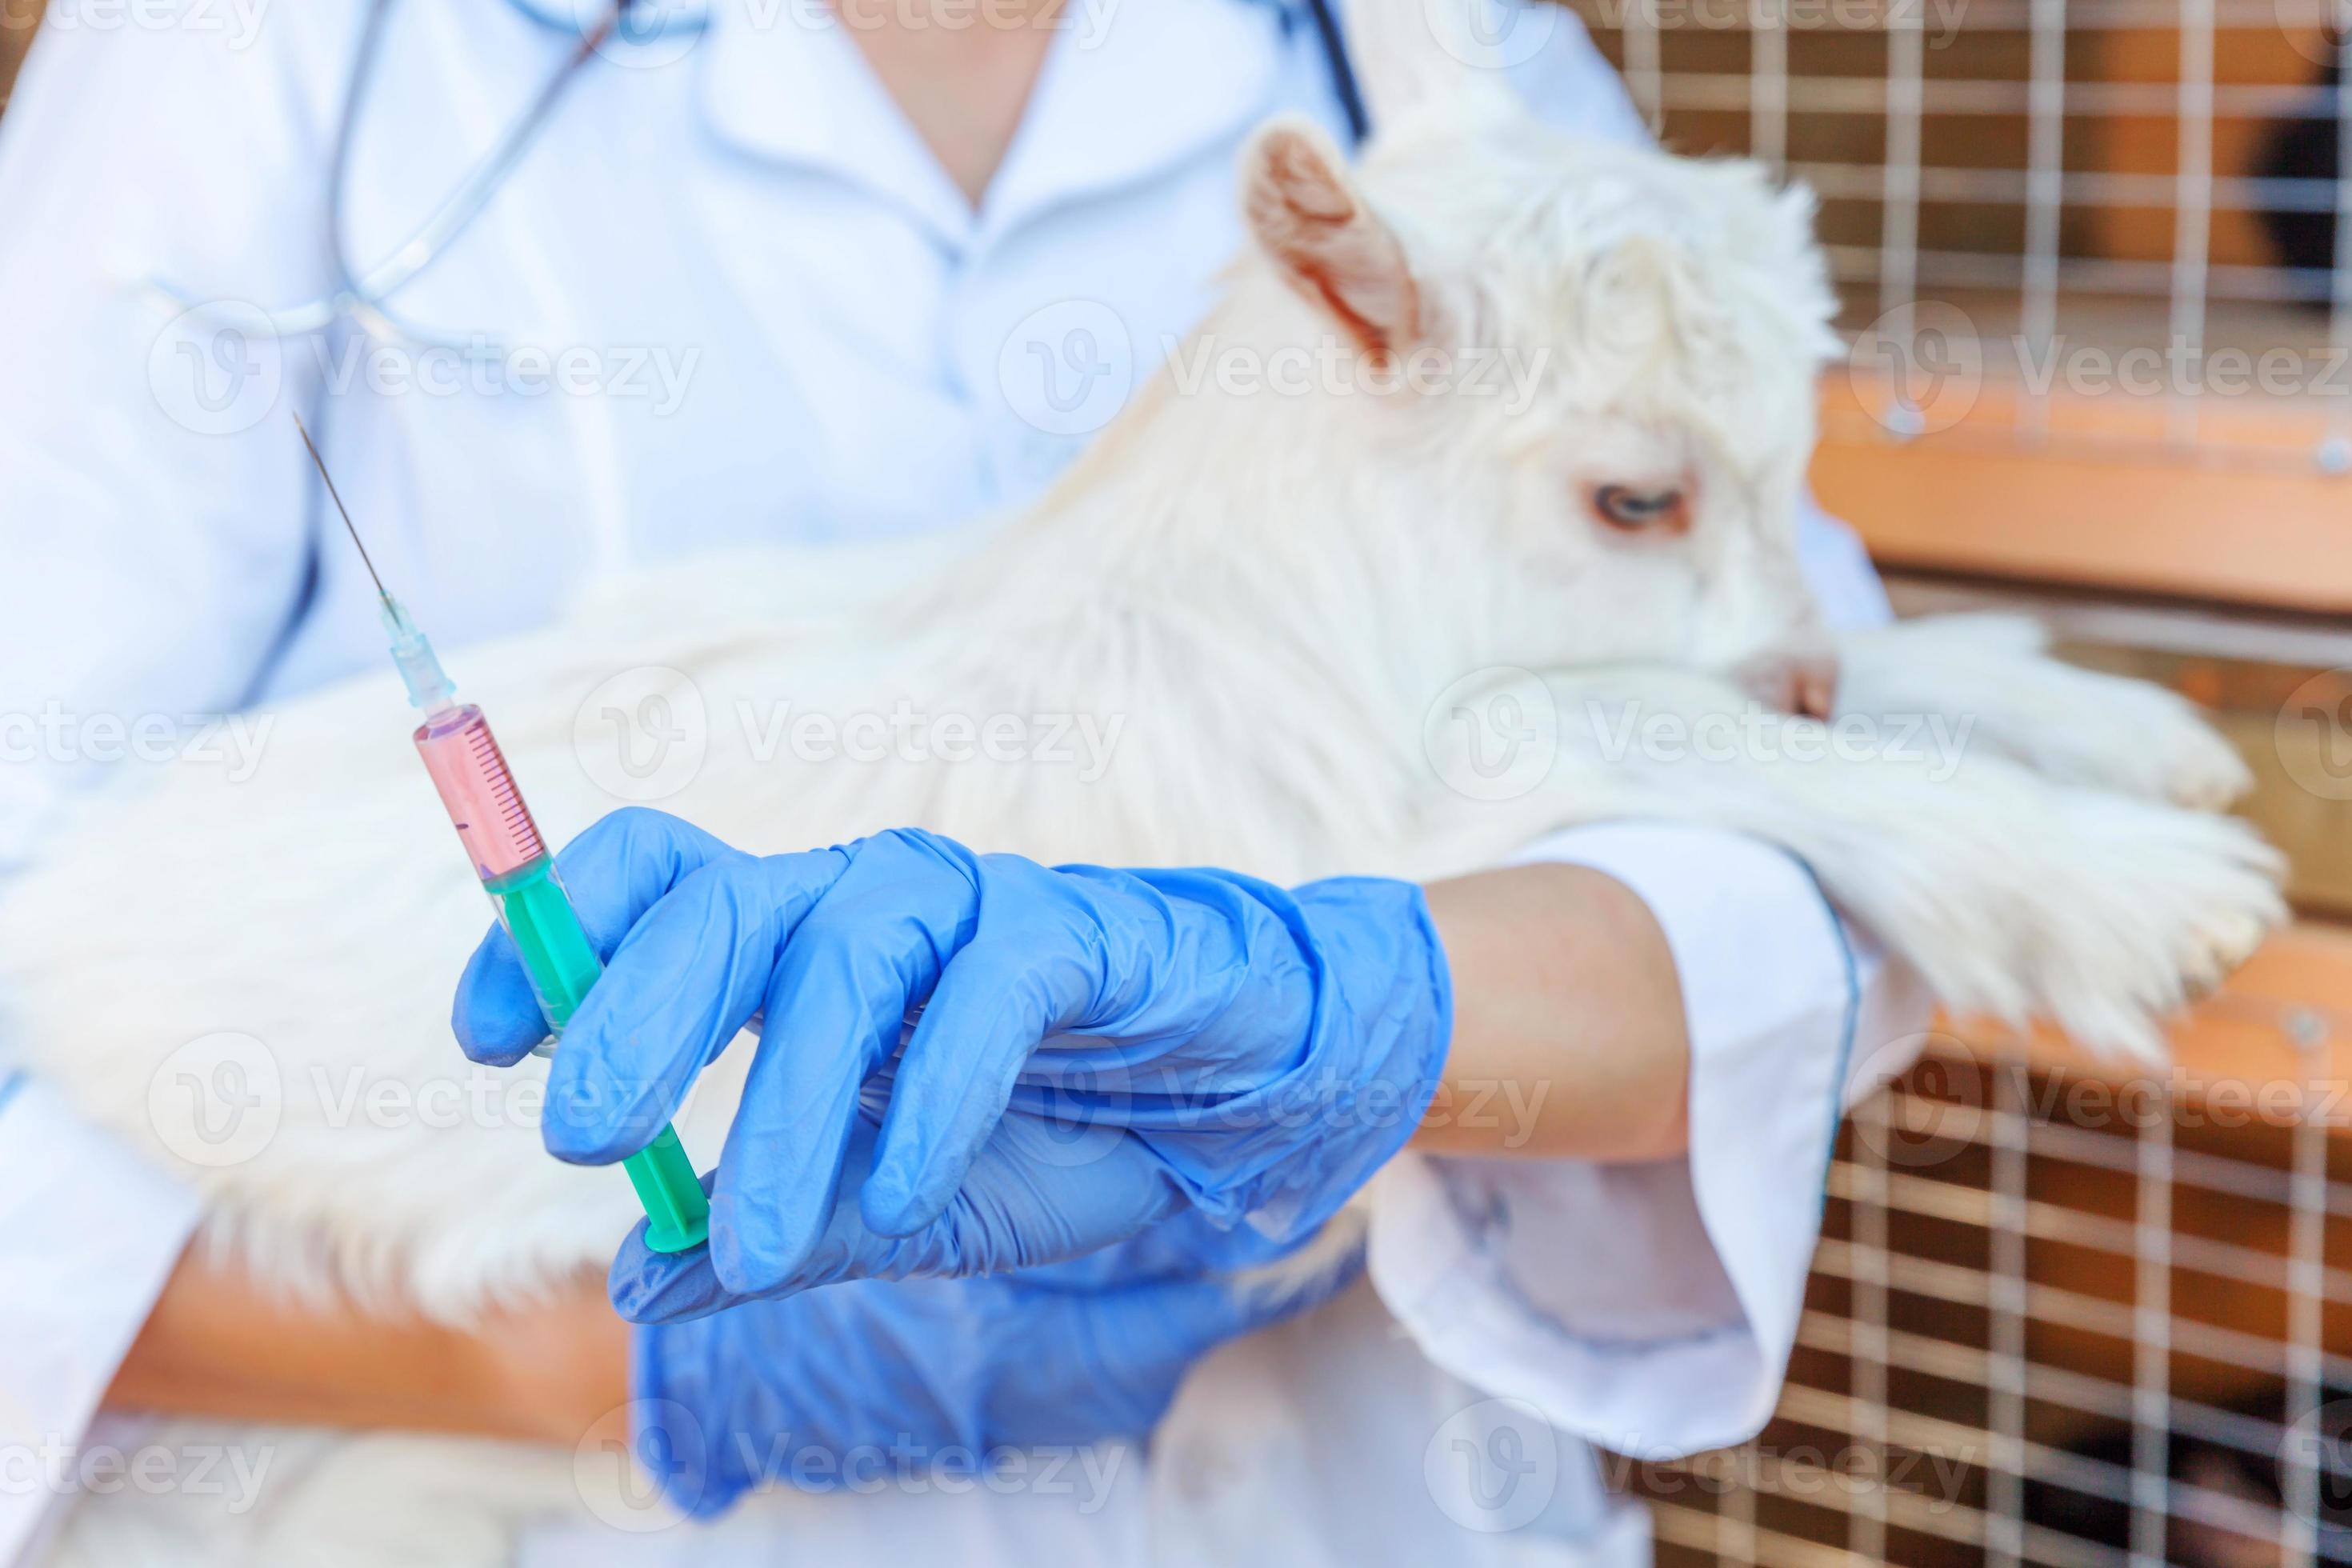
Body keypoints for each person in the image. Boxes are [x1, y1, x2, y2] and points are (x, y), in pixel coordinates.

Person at [0, 0, 1923, 1561]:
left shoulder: (1429, 57)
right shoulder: (251, 52)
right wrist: (585, 1369)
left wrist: (1366, 998)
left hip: (1342, 1489)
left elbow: (1823, 851)